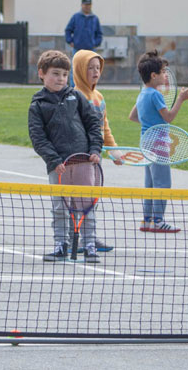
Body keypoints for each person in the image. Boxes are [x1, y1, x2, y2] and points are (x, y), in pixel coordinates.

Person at [28, 50, 104, 263]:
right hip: (58, 166)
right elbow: (38, 137)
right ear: (42, 74)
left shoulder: (76, 97)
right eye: (55, 74)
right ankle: (61, 245)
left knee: (86, 206)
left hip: (84, 162)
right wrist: (54, 160)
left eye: (64, 74)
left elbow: (92, 124)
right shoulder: (37, 104)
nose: (60, 79)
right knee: (60, 208)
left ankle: (89, 246)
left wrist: (95, 151)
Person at [129, 50, 188, 233]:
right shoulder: (156, 95)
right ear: (154, 75)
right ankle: (158, 221)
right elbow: (169, 118)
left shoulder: (143, 93)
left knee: (150, 183)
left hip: (145, 142)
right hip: (158, 144)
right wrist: (180, 99)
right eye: (164, 72)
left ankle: (147, 220)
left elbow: (133, 116)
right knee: (163, 184)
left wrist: (149, 120)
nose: (166, 75)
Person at [72, 49, 116, 252]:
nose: (95, 72)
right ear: (80, 70)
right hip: (81, 156)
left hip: (95, 156)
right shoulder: (74, 96)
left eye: (98, 68)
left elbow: (104, 126)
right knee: (80, 200)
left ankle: (90, 237)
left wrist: (113, 150)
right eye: (90, 68)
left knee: (92, 199)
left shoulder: (99, 96)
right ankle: (80, 239)